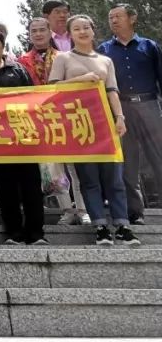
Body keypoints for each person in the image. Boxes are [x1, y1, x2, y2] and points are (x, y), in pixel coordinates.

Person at [50, 15, 140, 246]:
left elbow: (112, 91)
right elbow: (53, 87)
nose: (82, 31)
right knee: (89, 179)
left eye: (86, 27)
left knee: (115, 178)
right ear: (70, 33)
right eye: (77, 28)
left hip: (105, 123)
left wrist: (119, 117)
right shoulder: (63, 58)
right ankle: (100, 225)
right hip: (79, 124)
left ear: (93, 30)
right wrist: (82, 79)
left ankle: (122, 225)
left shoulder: (105, 60)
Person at [0, 28, 46, 246]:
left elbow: (32, 98)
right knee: (5, 187)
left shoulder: (18, 70)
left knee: (31, 185)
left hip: (23, 134)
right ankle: (14, 232)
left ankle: (36, 233)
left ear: (2, 46)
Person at [19, 17, 88, 225]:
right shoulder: (21, 61)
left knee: (76, 165)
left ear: (50, 33)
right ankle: (67, 209)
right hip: (39, 117)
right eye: (34, 31)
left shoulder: (64, 57)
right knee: (53, 168)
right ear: (29, 35)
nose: (38, 34)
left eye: (42, 30)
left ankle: (83, 209)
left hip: (65, 114)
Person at [99, 4, 162, 226]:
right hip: (120, 110)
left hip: (149, 104)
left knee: (159, 157)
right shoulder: (104, 49)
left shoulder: (150, 46)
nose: (114, 21)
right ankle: (135, 212)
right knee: (127, 163)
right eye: (110, 17)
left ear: (132, 18)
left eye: (118, 16)